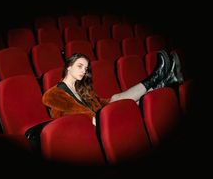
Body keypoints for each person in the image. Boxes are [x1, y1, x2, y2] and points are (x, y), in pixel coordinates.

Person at [42, 50, 184, 125]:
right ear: (69, 67)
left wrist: (110, 103)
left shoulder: (81, 88)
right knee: (120, 103)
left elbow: (98, 104)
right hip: (90, 126)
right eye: (80, 66)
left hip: (101, 117)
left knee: (119, 99)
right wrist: (106, 110)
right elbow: (68, 113)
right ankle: (160, 77)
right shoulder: (54, 93)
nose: (83, 71)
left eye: (85, 68)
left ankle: (164, 80)